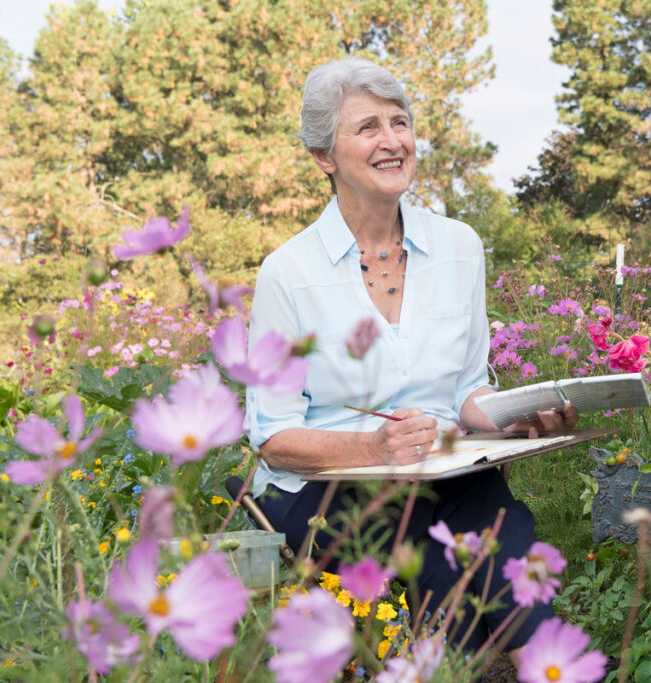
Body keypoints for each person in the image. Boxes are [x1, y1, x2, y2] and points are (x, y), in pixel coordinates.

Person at [243, 57, 578, 656]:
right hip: (330, 493)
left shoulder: (459, 247)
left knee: (512, 575)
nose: (392, 140)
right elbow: (273, 435)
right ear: (325, 156)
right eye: (367, 127)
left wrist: (519, 415)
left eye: (399, 122)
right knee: (437, 587)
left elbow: (468, 390)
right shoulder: (286, 273)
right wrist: (370, 449)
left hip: (447, 474)